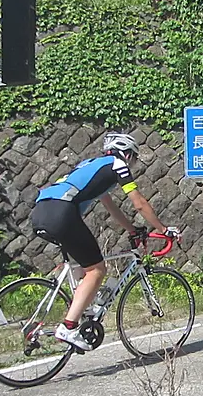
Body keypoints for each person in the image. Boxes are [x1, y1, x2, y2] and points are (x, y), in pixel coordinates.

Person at [30, 131, 179, 352]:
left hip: (41, 211)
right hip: (62, 212)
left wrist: (131, 229)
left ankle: (82, 308)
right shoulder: (119, 165)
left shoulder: (91, 165)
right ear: (127, 154)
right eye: (135, 159)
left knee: (85, 267)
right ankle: (68, 326)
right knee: (97, 270)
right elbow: (138, 203)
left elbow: (110, 206)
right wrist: (164, 229)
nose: (133, 164)